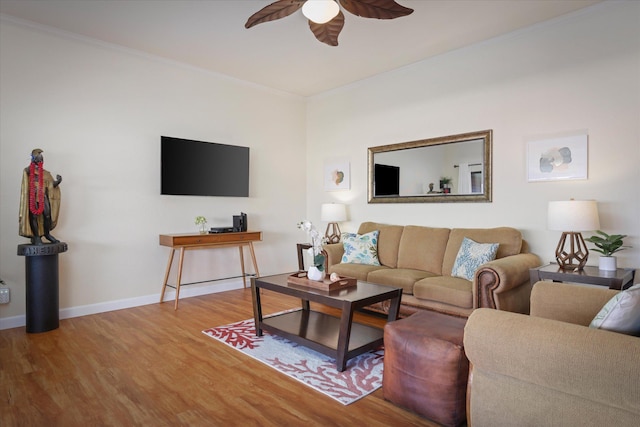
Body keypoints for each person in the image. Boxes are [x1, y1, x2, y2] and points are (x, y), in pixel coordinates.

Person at [19, 149, 62, 245]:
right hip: (32, 196)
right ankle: (36, 237)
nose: (40, 162)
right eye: (38, 160)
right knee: (33, 216)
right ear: (33, 159)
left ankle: (47, 234)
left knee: (47, 215)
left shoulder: (45, 173)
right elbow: (26, 184)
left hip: (43, 196)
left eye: (41, 161)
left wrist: (57, 182)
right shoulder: (28, 171)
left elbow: (51, 185)